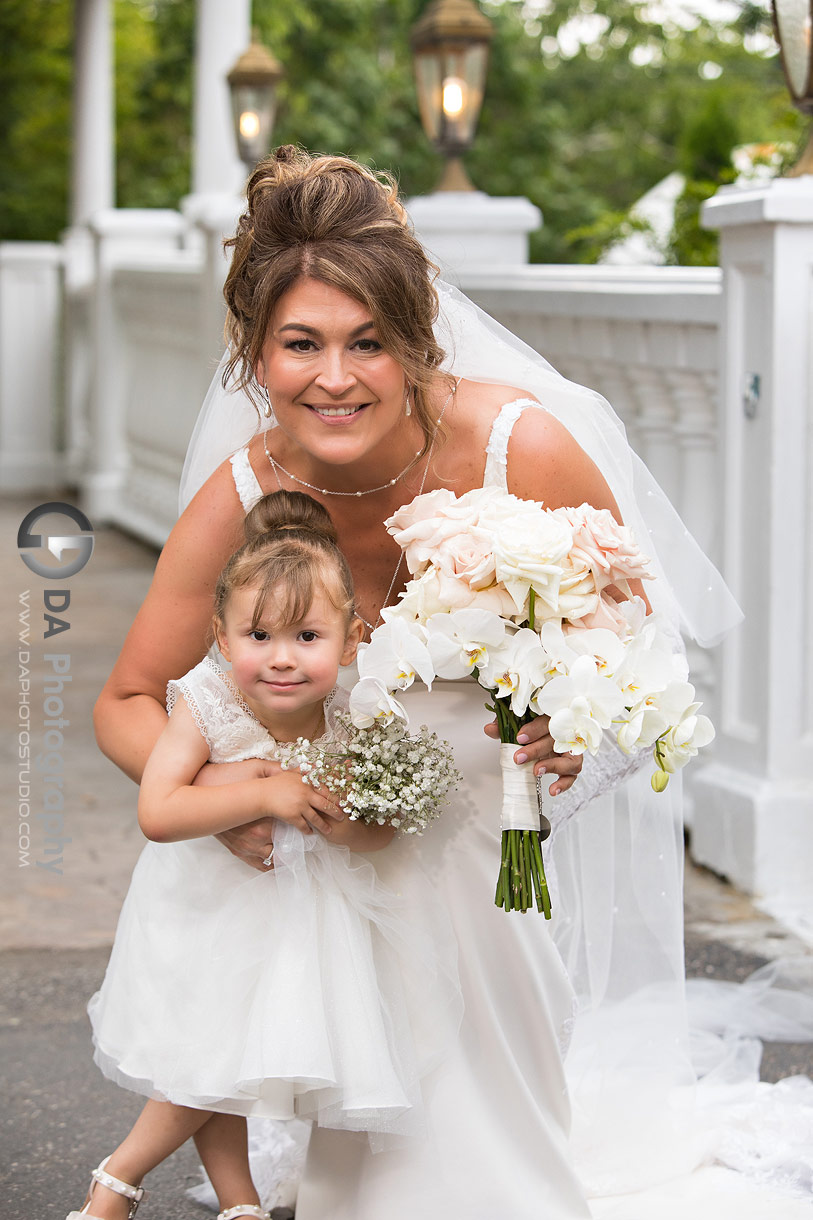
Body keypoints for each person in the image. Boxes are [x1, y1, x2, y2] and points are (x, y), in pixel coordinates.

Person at [95, 146, 810, 1219]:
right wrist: (224, 797)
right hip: (331, 849)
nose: (333, 378)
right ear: (255, 351)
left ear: (418, 340)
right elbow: (128, 697)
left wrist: (576, 754)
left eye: (367, 342)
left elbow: (637, 672)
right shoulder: (244, 489)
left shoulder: (522, 449)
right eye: (300, 343)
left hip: (489, 850)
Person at [70, 490, 460, 1220]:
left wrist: (349, 826)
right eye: (258, 636)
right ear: (221, 635)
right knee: (211, 1051)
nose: (281, 659)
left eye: (307, 637)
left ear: (349, 640)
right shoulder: (203, 702)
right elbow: (159, 811)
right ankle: (115, 1182)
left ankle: (239, 1203)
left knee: (234, 1056)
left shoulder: (352, 713)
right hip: (206, 908)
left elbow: (381, 828)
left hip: (300, 922)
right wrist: (266, 795)